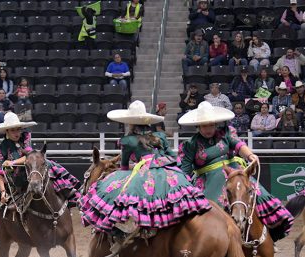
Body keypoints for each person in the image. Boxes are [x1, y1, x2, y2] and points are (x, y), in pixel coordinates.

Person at [82, 101, 211, 246]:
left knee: (126, 196)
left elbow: (124, 166)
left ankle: (129, 230)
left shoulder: (127, 140)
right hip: (165, 166)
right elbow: (173, 157)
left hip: (144, 169)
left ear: (130, 122)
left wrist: (129, 169)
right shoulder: (159, 136)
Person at [178, 101, 294, 241]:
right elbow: (184, 171)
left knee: (259, 194)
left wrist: (250, 155)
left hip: (235, 172)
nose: (208, 128)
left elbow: (238, 145)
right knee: (207, 211)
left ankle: (269, 236)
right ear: (198, 126)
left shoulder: (226, 132)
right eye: (204, 125)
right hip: (208, 180)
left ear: (215, 124)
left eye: (211, 125)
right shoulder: (190, 144)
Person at [0, 112, 81, 231]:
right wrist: (2, 192)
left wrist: (12, 162)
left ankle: (69, 197)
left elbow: (30, 156)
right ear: (6, 131)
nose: (17, 133)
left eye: (18, 129)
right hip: (15, 180)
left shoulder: (26, 136)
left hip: (33, 171)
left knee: (50, 173)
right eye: (13, 130)